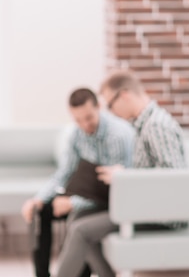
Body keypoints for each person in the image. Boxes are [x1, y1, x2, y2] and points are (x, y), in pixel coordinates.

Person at [54, 70, 187, 277]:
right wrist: (124, 173)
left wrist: (124, 176)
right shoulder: (144, 124)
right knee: (76, 218)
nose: (111, 111)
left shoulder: (156, 126)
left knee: (81, 230)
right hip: (143, 206)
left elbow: (172, 180)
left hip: (158, 214)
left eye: (110, 104)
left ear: (124, 95)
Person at [20, 87, 135, 277]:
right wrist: (38, 199)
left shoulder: (116, 136)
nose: (84, 125)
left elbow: (115, 191)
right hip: (90, 194)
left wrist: (73, 203)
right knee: (42, 211)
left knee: (77, 223)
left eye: (88, 118)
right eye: (78, 120)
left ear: (98, 107)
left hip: (116, 201)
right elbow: (65, 172)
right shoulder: (76, 134)